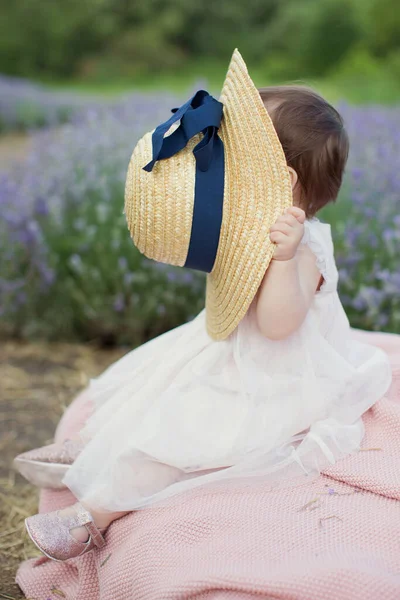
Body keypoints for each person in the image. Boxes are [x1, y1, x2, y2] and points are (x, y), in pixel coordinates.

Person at [16, 49, 391, 563]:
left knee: (184, 431)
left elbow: (279, 326)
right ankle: (94, 443)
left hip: (271, 378)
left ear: (279, 182)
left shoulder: (304, 250)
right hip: (229, 350)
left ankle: (91, 517)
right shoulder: (253, 226)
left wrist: (281, 261)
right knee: (155, 378)